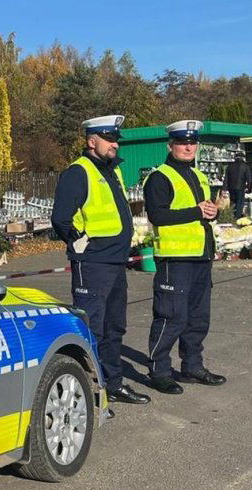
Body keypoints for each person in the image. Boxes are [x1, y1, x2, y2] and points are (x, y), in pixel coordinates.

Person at [51, 114, 150, 405]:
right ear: (91, 141)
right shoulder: (78, 172)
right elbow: (60, 218)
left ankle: (113, 385)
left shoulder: (111, 171)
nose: (114, 144)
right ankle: (91, 392)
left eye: (116, 139)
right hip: (93, 263)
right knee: (91, 328)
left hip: (115, 262)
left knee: (114, 327)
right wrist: (79, 241)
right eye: (108, 138)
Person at [143, 119, 226, 395]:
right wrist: (197, 211)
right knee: (171, 317)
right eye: (182, 142)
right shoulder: (160, 177)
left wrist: (213, 212)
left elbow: (203, 212)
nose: (188, 147)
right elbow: (158, 215)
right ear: (171, 145)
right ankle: (159, 371)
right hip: (175, 258)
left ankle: (192, 366)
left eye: (192, 142)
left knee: (198, 318)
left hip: (200, 256)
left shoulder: (199, 176)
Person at [223, 152, 252, 218]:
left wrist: (224, 188)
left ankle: (231, 215)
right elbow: (249, 179)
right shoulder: (245, 166)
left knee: (233, 202)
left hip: (231, 187)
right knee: (239, 203)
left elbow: (226, 178)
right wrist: (249, 188)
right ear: (243, 158)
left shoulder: (230, 166)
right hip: (240, 187)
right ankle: (237, 217)